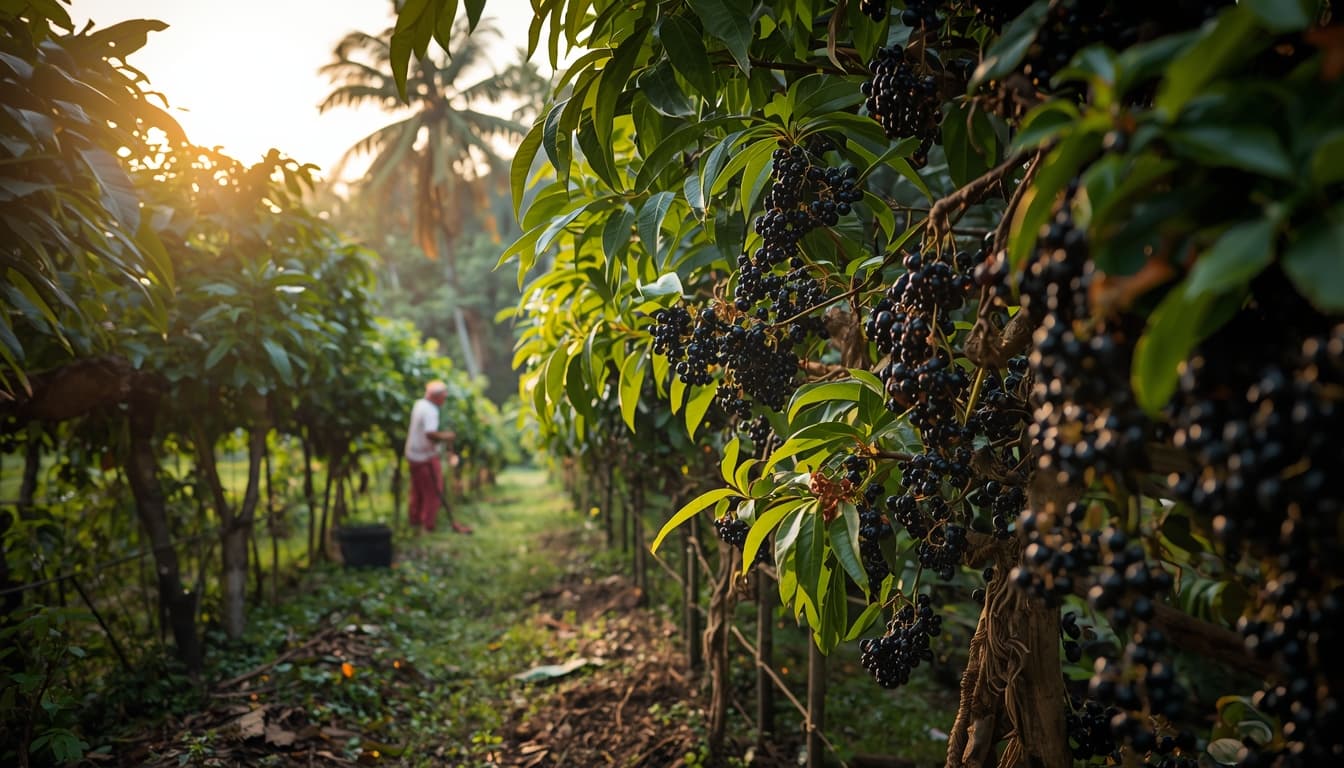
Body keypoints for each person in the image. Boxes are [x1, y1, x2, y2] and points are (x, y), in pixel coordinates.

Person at [404, 380, 471, 534]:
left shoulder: (419, 404)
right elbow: (430, 433)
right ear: (437, 396)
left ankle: (415, 522)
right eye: (443, 396)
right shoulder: (430, 410)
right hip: (425, 457)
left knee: (417, 490)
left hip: (413, 454)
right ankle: (428, 525)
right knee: (433, 491)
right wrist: (447, 436)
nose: (444, 399)